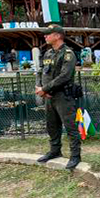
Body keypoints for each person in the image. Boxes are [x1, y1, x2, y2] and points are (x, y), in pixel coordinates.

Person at [35, 24, 82, 169]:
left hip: (63, 97)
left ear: (57, 36)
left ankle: (75, 156)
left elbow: (65, 76)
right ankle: (55, 151)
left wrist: (45, 88)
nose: (45, 36)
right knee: (52, 126)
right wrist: (40, 88)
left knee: (70, 127)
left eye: (48, 34)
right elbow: (41, 72)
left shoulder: (68, 54)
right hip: (49, 97)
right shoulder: (48, 53)